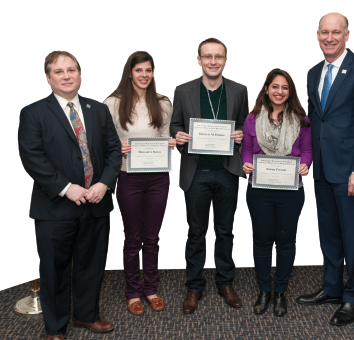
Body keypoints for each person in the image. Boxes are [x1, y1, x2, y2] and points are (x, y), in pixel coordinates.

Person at [18, 51, 121, 340]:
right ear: (48, 77)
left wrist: (104, 184)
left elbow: (114, 152)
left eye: (71, 70)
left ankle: (86, 315)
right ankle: (55, 328)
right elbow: (32, 158)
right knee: (54, 270)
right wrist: (66, 188)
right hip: (55, 208)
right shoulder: (33, 113)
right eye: (59, 71)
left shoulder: (98, 110)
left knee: (91, 265)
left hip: (96, 203)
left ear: (79, 73)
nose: (66, 76)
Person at [296, 13, 354, 326]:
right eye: (324, 32)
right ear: (317, 35)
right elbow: (314, 120)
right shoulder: (313, 72)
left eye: (336, 32)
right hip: (322, 168)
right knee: (329, 234)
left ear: (347, 35)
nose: (329, 38)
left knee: (353, 235)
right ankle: (332, 288)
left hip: (350, 172)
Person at [170, 38, 248, 314]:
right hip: (197, 173)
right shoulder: (183, 90)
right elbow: (175, 126)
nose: (213, 61)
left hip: (227, 172)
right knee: (196, 232)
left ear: (225, 60)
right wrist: (178, 137)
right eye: (208, 57)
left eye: (219, 57)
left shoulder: (239, 91)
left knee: (225, 232)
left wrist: (240, 136)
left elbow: (243, 125)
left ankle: (225, 283)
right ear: (199, 59)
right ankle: (194, 286)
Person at [104, 51, 175, 316]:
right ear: (130, 72)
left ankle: (151, 289)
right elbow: (104, 142)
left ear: (153, 72)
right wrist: (117, 148)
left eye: (148, 70)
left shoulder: (163, 102)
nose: (144, 75)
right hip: (128, 177)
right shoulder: (112, 103)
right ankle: (132, 292)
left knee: (152, 238)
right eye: (139, 70)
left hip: (158, 177)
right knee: (133, 238)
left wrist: (171, 143)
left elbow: (167, 136)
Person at [242, 69, 312, 316]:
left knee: (285, 242)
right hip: (259, 189)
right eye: (275, 86)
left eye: (284, 87)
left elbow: (307, 149)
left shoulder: (302, 120)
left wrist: (305, 163)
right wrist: (246, 163)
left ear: (289, 92)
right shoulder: (252, 119)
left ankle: (280, 291)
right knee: (261, 241)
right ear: (266, 89)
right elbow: (247, 150)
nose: (279, 91)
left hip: (290, 191)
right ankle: (264, 290)